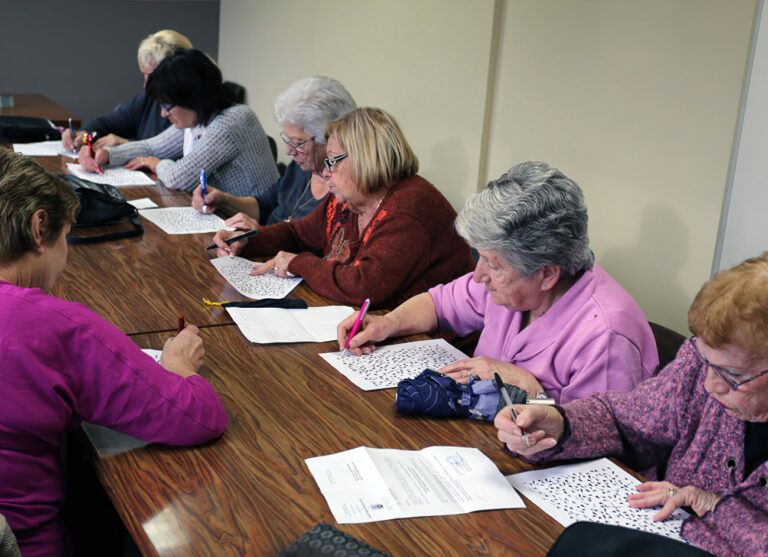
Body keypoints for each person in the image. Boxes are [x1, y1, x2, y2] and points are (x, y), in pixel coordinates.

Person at [0, 150, 228, 557]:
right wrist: (176, 364)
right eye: (65, 237)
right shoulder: (51, 325)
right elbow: (199, 416)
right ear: (39, 229)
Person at [496, 253, 768, 556]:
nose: (709, 385)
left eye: (732, 375)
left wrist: (714, 506)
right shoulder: (699, 368)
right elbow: (628, 421)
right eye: (707, 364)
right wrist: (560, 424)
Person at [338, 161, 658, 403]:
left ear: (547, 274)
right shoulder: (513, 286)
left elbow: (603, 445)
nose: (478, 275)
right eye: (482, 257)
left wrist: (529, 390)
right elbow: (440, 303)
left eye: (493, 264)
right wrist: (388, 322)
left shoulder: (605, 335)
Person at [212, 107, 474, 309]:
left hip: (431, 347)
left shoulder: (409, 207)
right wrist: (247, 240)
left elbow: (365, 287)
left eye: (333, 160)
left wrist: (300, 263)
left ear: (365, 158)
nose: (325, 172)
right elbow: (298, 235)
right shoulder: (350, 199)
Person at [79, 48, 278, 197]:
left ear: (191, 98)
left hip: (256, 227)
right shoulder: (199, 117)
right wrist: (106, 155)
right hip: (222, 218)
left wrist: (157, 165)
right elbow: (153, 146)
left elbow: (179, 177)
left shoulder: (232, 121)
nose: (164, 114)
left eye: (167, 106)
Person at [191, 75, 355, 224]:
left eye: (297, 142)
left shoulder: (345, 191)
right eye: (287, 139)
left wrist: (261, 235)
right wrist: (224, 201)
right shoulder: (300, 167)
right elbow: (264, 206)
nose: (289, 151)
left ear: (329, 138)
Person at [62, 29, 192, 152]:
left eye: (152, 77)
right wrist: (84, 134)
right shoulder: (148, 99)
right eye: (144, 75)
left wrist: (126, 147)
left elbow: (179, 163)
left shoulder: (192, 115)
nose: (146, 85)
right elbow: (106, 123)